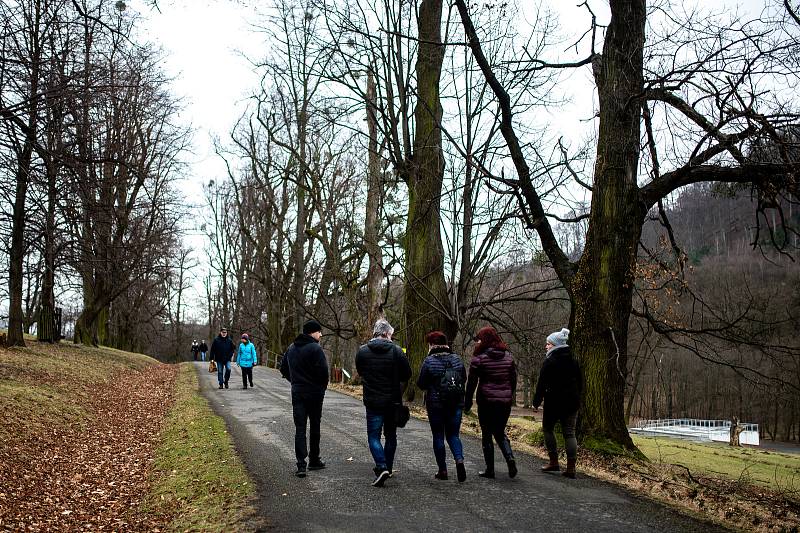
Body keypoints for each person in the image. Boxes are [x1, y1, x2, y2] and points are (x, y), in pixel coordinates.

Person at [355, 318, 411, 488]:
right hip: (392, 401)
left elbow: (360, 371)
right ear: (387, 334)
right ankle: (388, 467)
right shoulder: (396, 352)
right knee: (391, 436)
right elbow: (407, 374)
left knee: (373, 436)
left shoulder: (362, 351)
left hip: (372, 400)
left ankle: (381, 466)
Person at [464, 326, 518, 479]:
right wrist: (508, 395)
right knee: (500, 432)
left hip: (486, 401)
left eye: (479, 339)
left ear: (485, 340)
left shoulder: (479, 359)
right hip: (504, 402)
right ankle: (510, 458)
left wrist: (467, 403)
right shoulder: (508, 357)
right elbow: (513, 380)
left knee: (487, 433)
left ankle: (490, 469)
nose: (477, 342)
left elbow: (471, 383)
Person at [280, 319, 329, 478]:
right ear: (312, 332)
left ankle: (301, 465)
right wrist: (321, 388)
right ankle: (314, 460)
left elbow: (283, 368)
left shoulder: (291, 348)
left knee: (300, 427)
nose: (321, 334)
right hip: (315, 393)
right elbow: (324, 373)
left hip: (298, 392)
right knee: (315, 425)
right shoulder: (315, 349)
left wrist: (295, 381)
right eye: (319, 331)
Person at [417, 331, 467, 482]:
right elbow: (463, 379)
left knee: (438, 436)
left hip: (436, 405)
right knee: (453, 435)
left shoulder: (429, 361)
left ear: (432, 344)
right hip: (456, 403)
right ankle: (459, 460)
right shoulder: (457, 359)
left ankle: (443, 470)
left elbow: (421, 383)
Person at [533, 328, 581, 479]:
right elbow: (580, 381)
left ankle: (554, 461)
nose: (546, 346)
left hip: (554, 402)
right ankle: (571, 467)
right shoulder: (573, 361)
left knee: (548, 429)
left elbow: (541, 384)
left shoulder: (550, 361)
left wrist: (536, 402)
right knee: (569, 433)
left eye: (548, 344)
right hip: (572, 402)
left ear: (555, 345)